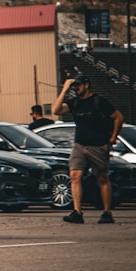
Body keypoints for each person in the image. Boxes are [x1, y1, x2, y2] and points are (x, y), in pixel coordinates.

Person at [51, 73, 124, 224]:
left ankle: (106, 212)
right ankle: (77, 212)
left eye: (78, 85)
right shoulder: (75, 103)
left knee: (102, 177)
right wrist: (64, 89)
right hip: (79, 145)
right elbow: (56, 110)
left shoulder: (98, 102)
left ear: (86, 85)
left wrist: (113, 137)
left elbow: (118, 117)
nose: (76, 88)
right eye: (74, 86)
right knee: (74, 176)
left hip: (97, 145)